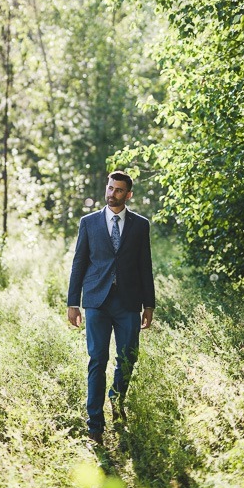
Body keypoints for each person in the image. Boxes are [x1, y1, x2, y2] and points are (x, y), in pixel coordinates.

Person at [67, 171, 155, 444]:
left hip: (128, 302)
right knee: (97, 360)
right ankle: (95, 424)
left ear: (128, 194)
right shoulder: (89, 223)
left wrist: (149, 304)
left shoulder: (140, 225)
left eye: (119, 190)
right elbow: (79, 262)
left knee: (128, 358)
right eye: (110, 188)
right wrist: (73, 302)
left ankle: (117, 401)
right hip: (96, 301)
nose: (112, 193)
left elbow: (145, 266)